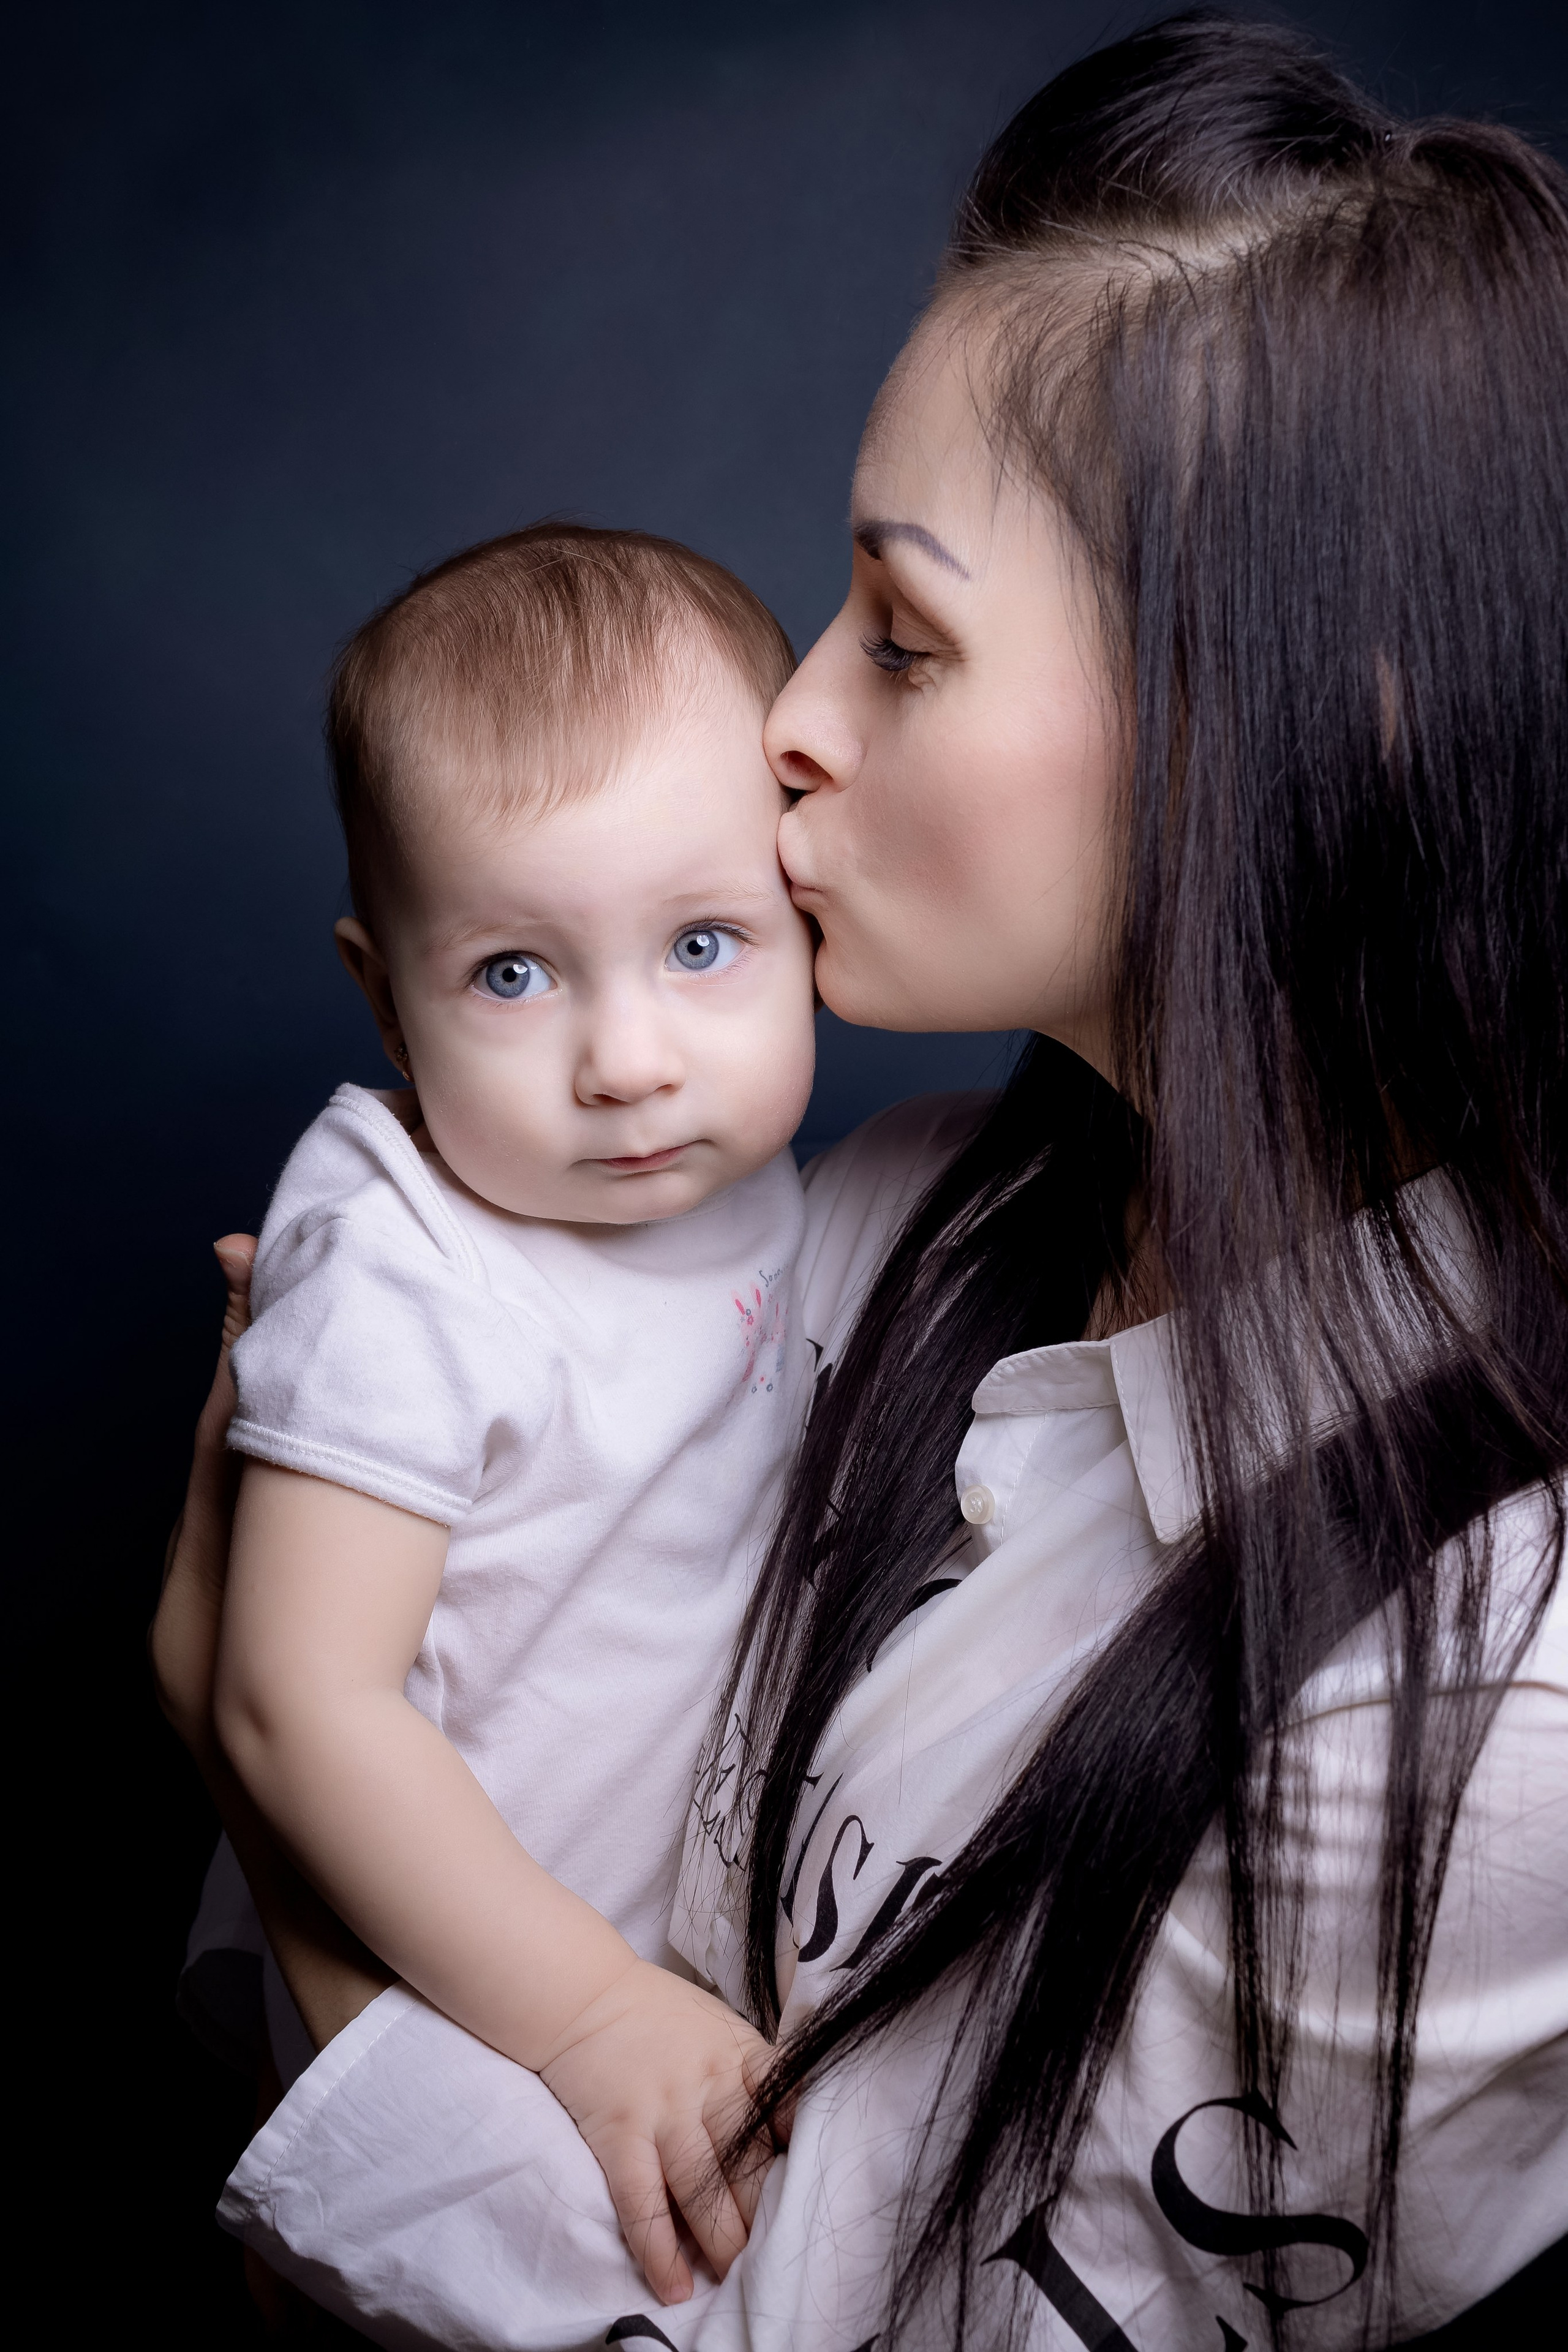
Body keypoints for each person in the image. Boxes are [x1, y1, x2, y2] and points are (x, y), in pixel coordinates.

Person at [154, 15, 1568, 2347]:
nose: (790, 718)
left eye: (906, 637)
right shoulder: (899, 1210)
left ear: (1322, 717)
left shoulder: (1477, 1717)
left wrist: (275, 1808)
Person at [165, 522, 820, 2305]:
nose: (627, 1061)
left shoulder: (744, 1181)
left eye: (704, 942)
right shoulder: (404, 1263)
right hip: (465, 1985)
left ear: (806, 915)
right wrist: (589, 2012)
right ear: (385, 993)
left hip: (681, 1966)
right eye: (513, 975)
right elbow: (291, 1701)